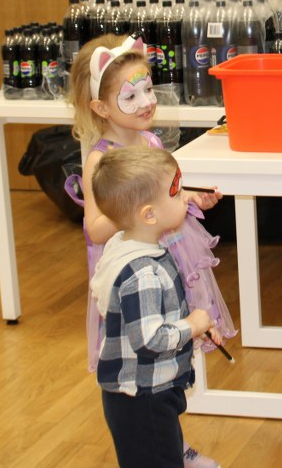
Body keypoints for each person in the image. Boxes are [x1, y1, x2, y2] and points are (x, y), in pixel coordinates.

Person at [67, 33, 233, 468]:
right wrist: (135, 210)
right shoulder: (100, 160)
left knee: (171, 358)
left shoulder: (151, 142)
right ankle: (164, 445)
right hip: (133, 266)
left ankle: (173, 442)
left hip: (167, 256)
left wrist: (187, 198)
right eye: (130, 95)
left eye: (147, 88)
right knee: (147, 352)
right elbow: (95, 228)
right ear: (101, 108)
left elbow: (162, 194)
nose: (145, 101)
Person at [89, 146, 224, 468]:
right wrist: (192, 324)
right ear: (149, 215)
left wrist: (195, 328)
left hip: (148, 391)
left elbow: (153, 317)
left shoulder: (128, 245)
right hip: (143, 397)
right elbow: (150, 340)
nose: (185, 198)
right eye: (176, 194)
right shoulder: (142, 273)